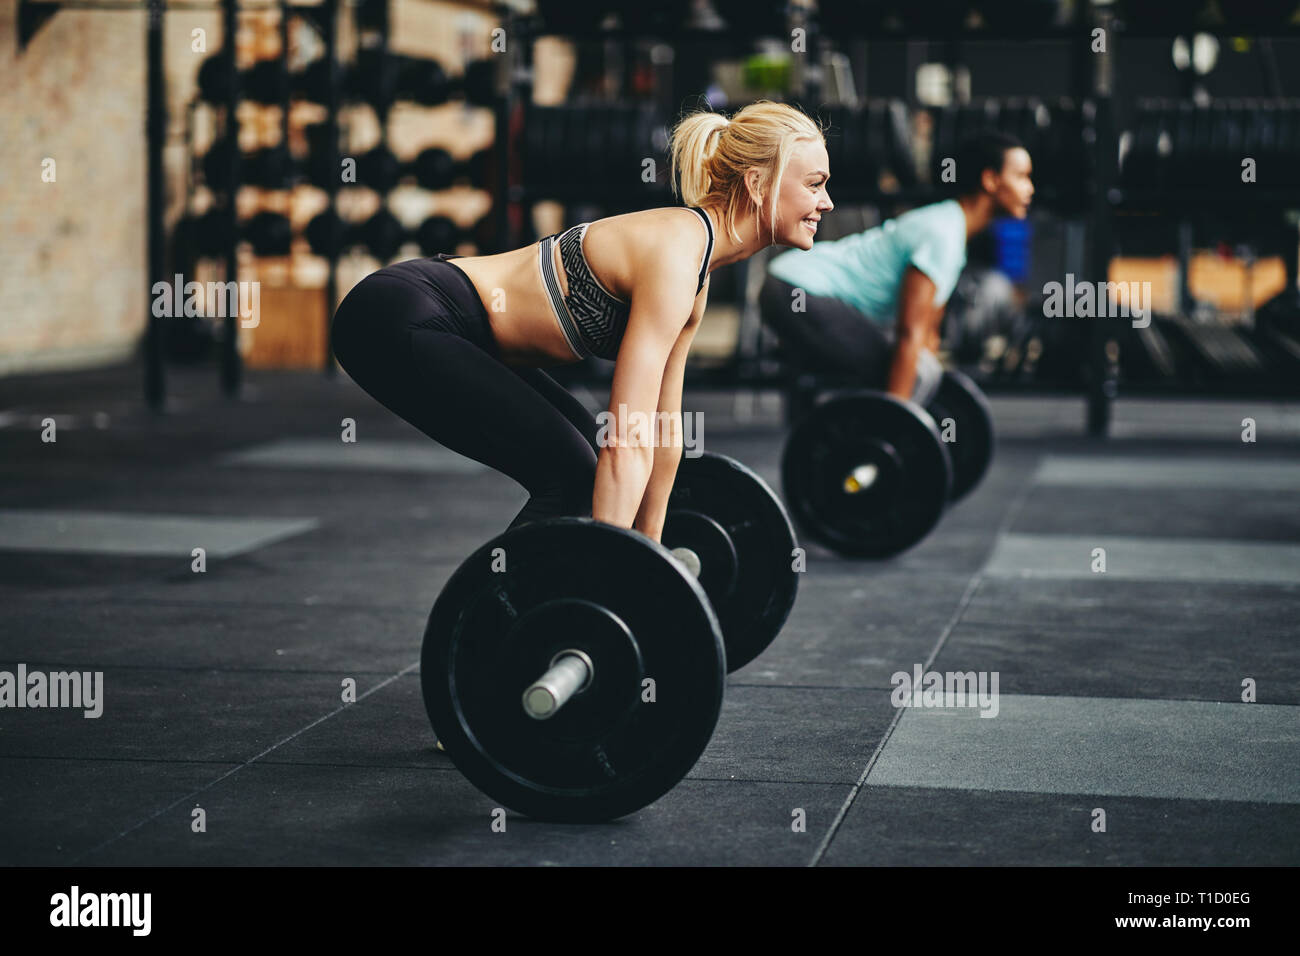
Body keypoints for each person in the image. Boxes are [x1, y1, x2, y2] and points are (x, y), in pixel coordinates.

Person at [330, 101, 832, 545]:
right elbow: (627, 437)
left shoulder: (694, 273)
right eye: (814, 185)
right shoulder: (676, 256)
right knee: (573, 474)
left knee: (585, 466)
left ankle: (536, 608)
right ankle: (502, 624)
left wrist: (650, 549)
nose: (826, 203)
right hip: (404, 316)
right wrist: (613, 570)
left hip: (456, 329)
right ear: (758, 184)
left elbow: (662, 433)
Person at [760, 131, 1033, 407]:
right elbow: (909, 334)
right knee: (904, 370)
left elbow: (927, 335)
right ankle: (868, 436)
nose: (1030, 189)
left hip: (792, 284)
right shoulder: (943, 234)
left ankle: (850, 431)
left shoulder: (950, 228)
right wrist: (900, 417)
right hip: (798, 290)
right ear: (990, 180)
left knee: (917, 369)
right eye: (1022, 177)